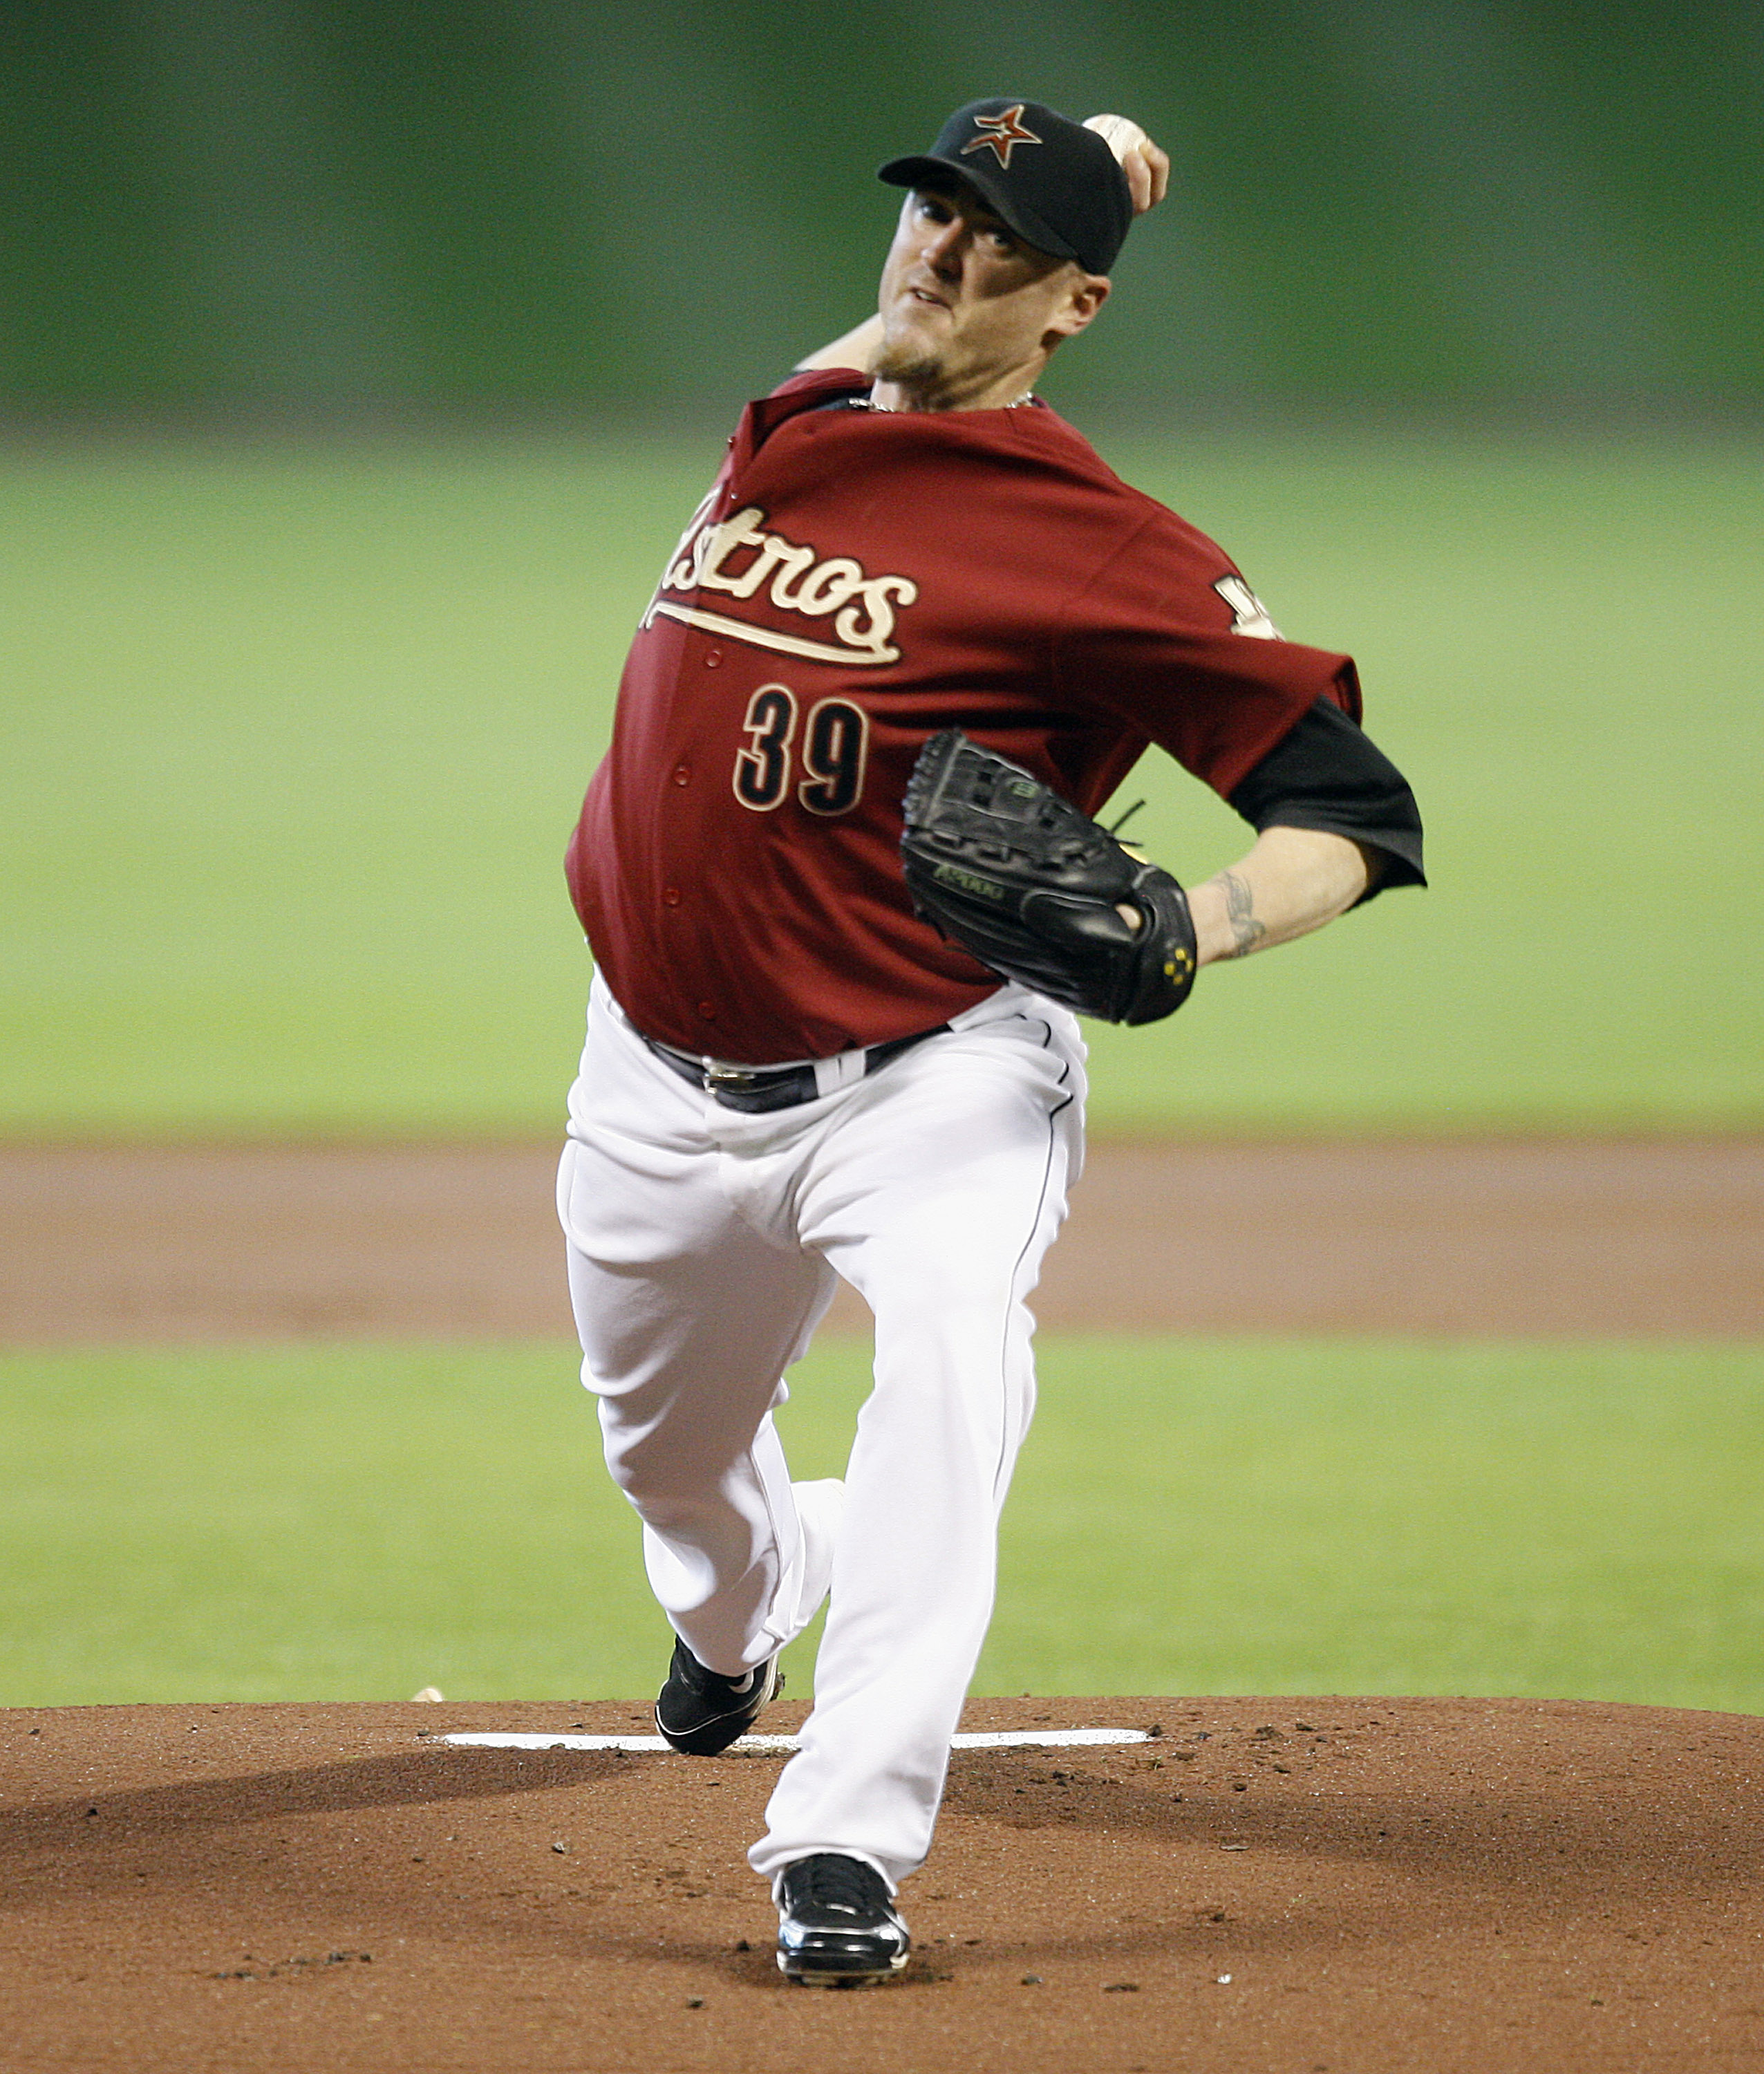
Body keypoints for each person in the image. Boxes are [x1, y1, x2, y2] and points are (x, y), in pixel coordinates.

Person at [558, 97, 1424, 1988]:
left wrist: (1188, 927)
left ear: (1076, 309)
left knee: (956, 1365)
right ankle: (747, 1605)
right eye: (930, 217)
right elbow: (881, 342)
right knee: (674, 1475)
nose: (939, 259)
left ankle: (845, 1842)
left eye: (995, 245)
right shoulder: (797, 425)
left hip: (931, 1070)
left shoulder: (1106, 552)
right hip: (652, 1078)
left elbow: (1356, 816)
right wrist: (1091, 146)